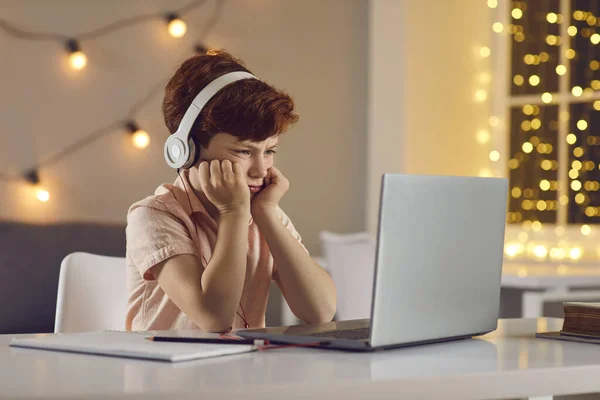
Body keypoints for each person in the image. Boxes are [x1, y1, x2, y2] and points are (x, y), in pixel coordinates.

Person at [125, 50, 336, 332]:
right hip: (167, 373)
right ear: (186, 151)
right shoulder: (153, 216)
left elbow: (319, 311)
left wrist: (267, 215)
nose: (261, 170)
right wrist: (234, 212)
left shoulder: (264, 211)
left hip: (242, 372)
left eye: (269, 151)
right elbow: (216, 319)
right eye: (244, 151)